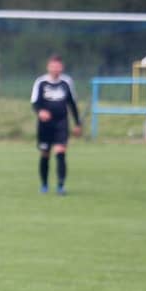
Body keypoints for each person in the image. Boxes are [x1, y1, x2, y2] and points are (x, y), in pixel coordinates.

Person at [30, 55, 82, 196]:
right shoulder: (41, 82)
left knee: (60, 152)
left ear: (61, 68)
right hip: (45, 125)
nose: (55, 69)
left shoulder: (66, 82)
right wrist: (40, 111)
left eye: (58, 66)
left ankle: (60, 186)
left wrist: (77, 123)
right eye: (53, 66)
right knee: (45, 153)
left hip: (61, 123)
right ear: (48, 67)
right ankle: (44, 185)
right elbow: (34, 102)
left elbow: (72, 104)